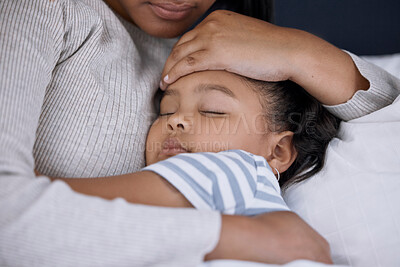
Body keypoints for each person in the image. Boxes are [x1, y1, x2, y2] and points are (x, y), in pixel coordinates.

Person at [1, 0, 399, 266]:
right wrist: (241, 237)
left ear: (279, 151)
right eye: (165, 108)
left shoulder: (225, 160)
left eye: (211, 110)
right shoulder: (44, 11)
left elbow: (382, 120)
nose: (176, 120)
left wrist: (301, 52)